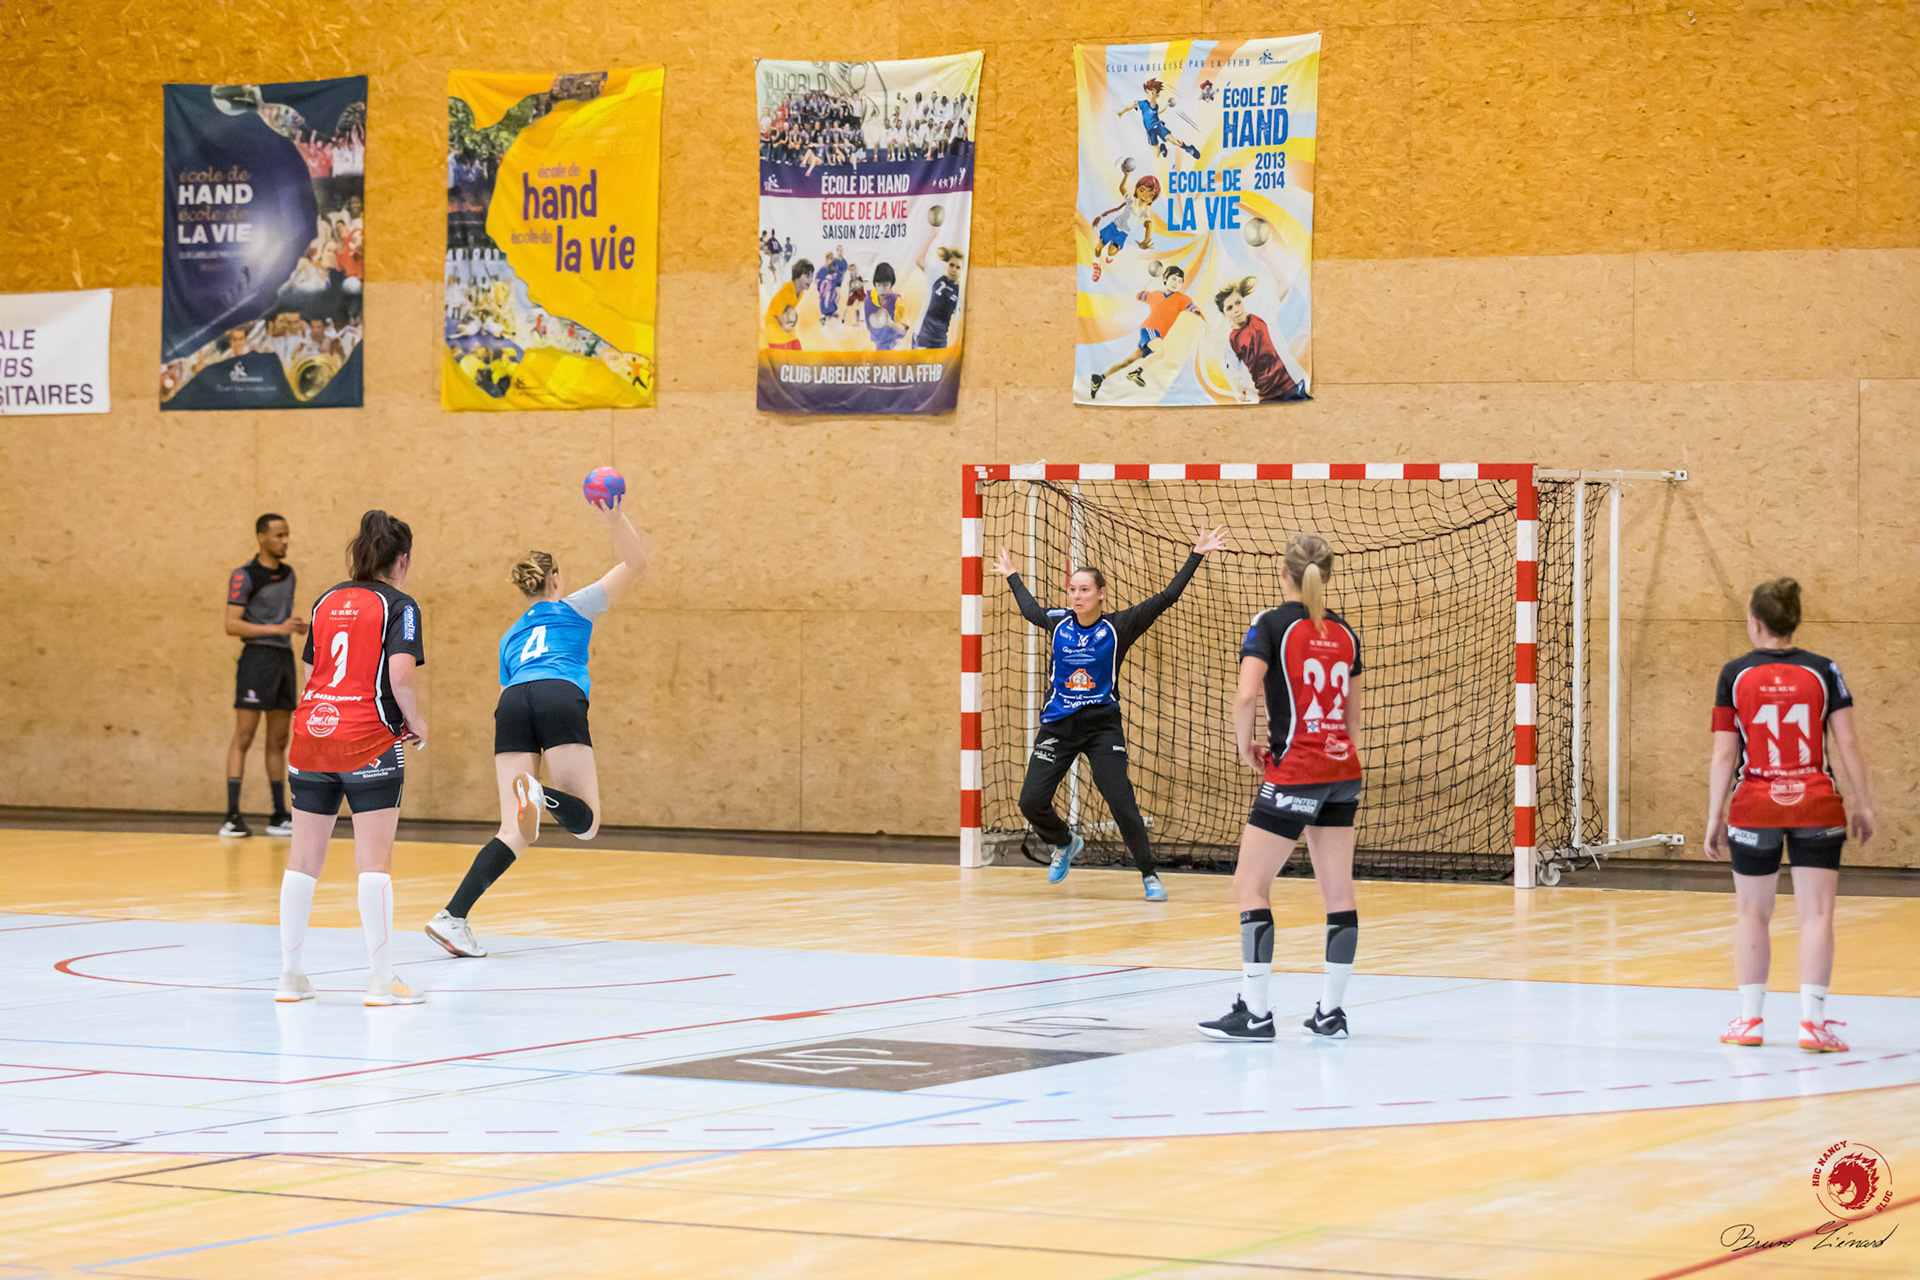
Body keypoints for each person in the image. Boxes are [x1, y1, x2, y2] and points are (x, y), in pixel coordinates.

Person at [426, 496, 647, 958]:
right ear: (555, 579)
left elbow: (512, 689)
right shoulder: (575, 605)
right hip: (557, 694)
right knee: (586, 824)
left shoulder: (509, 635)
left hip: (512, 702)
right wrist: (615, 519)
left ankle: (452, 917)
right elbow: (635, 563)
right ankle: (540, 793)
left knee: (516, 830)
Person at [991, 526, 1229, 902]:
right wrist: (1012, 575)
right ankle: (1065, 842)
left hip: (1102, 727)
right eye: (1073, 589)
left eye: (1084, 589)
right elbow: (1030, 610)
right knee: (1030, 802)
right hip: (1058, 726)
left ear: (1101, 594)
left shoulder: (1118, 627)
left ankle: (1149, 875)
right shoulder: (1058, 622)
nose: (1077, 596)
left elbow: (1166, 597)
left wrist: (1196, 554)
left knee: (1122, 803)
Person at [1200, 534, 1363, 1042]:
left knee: (1250, 886)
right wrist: (1335, 758)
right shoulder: (1345, 632)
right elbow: (1353, 719)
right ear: (1327, 575)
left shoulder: (1270, 624)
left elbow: (1246, 695)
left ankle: (1255, 1013)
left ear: (1283, 572)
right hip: (1343, 771)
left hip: (1296, 770)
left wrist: (1244, 745)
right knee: (1338, 892)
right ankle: (1331, 1013)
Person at [1705, 578, 1875, 1053]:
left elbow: (1724, 754)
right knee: (1816, 914)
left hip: (1754, 805)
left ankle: (1750, 1020)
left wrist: (1715, 814)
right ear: (1793, 621)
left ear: (1755, 622)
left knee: (1752, 914)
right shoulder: (1824, 670)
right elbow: (1848, 742)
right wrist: (1863, 802)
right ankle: (1813, 1024)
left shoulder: (1734, 673)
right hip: (1817, 803)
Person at [276, 510, 428, 1008]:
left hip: (311, 735)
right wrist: (415, 721)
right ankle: (381, 981)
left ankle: (290, 977)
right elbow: (400, 675)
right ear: (402, 559)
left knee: (302, 861)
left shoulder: (326, 600)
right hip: (369, 740)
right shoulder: (400, 606)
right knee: (374, 863)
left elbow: (312, 672)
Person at [223, 514, 306, 837]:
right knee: (244, 736)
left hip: (282, 660)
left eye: (287, 535)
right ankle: (232, 816)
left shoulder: (289, 574)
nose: (284, 541)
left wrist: (294, 628)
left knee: (279, 740)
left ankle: (278, 814)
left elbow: (280, 620)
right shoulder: (244, 576)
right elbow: (231, 624)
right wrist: (276, 628)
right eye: (278, 535)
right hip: (256, 660)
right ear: (261, 537)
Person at [1089, 264, 1199, 399]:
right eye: (1174, 279)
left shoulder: (1182, 299)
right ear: (1165, 278)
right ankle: (1137, 372)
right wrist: (1147, 284)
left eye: (1180, 281)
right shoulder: (1156, 295)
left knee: (1129, 361)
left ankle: (1099, 378)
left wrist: (1201, 317)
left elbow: (1193, 308)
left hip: (1157, 335)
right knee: (1160, 352)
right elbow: (1139, 296)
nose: (1177, 283)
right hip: (1150, 329)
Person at [1089, 170, 1159, 283]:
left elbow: (1148, 224)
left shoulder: (1144, 210)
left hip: (1122, 234)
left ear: (1152, 199)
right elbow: (1122, 188)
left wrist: (1146, 239)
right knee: (1098, 247)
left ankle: (1110, 257)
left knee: (1111, 252)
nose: (1145, 196)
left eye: (1150, 195)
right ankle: (1096, 265)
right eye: (1142, 190)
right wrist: (1126, 176)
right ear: (1137, 189)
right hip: (1113, 227)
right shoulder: (1131, 200)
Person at [914, 245, 963, 349]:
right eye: (951, 265)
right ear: (947, 265)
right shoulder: (936, 276)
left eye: (958, 267)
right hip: (923, 336)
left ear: (962, 270)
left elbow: (958, 321)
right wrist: (931, 237)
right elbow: (919, 261)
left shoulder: (959, 294)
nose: (954, 270)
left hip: (940, 342)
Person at [765, 259, 814, 352]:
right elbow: (775, 313)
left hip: (786, 324)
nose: (811, 280)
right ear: (797, 277)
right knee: (785, 354)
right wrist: (785, 326)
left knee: (797, 349)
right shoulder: (786, 291)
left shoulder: (801, 292)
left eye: (811, 276)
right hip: (774, 324)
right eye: (807, 276)